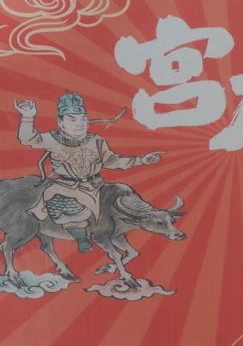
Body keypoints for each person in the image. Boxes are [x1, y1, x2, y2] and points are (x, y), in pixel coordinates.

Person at [15, 92, 162, 252]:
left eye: (83, 119)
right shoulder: (52, 138)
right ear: (61, 122)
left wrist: (142, 160)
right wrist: (28, 117)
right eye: (72, 120)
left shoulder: (97, 141)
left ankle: (113, 231)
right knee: (66, 206)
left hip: (96, 185)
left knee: (121, 196)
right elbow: (27, 138)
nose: (79, 124)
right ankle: (81, 238)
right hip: (66, 186)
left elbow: (112, 161)